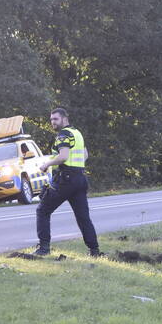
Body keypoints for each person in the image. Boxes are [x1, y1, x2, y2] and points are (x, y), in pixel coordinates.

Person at [34, 107, 102, 257]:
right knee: (83, 217)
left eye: (55, 119)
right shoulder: (77, 133)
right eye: (51, 119)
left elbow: (63, 156)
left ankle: (44, 248)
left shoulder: (63, 134)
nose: (52, 122)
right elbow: (85, 155)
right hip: (80, 178)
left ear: (64, 118)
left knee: (42, 210)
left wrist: (46, 164)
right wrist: (75, 167)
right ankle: (94, 250)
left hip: (66, 179)